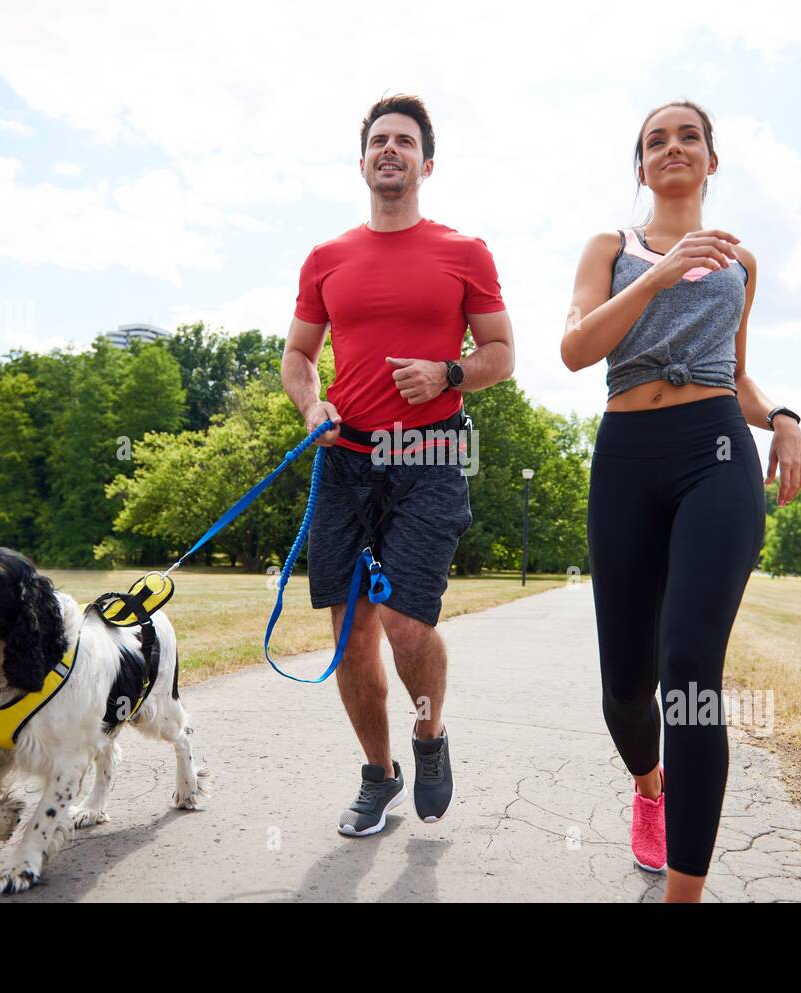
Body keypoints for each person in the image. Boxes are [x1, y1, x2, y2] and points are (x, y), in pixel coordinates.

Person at [561, 100, 801, 902]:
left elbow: (732, 375)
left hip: (715, 455)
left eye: (689, 136)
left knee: (690, 670)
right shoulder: (614, 246)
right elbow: (575, 348)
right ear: (641, 167)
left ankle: (684, 892)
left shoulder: (741, 263)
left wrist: (782, 418)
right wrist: (665, 269)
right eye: (654, 140)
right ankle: (649, 783)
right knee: (627, 691)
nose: (672, 147)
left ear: (712, 159)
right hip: (628, 458)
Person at [282, 94, 515, 837]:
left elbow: (502, 356)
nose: (390, 149)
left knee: (405, 619)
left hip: (430, 453)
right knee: (349, 631)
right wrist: (311, 407)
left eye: (404, 141)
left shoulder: (464, 251)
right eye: (379, 140)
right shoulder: (326, 259)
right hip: (345, 461)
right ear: (362, 162)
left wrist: (449, 373)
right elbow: (296, 357)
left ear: (427, 163)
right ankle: (378, 776)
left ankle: (428, 733)